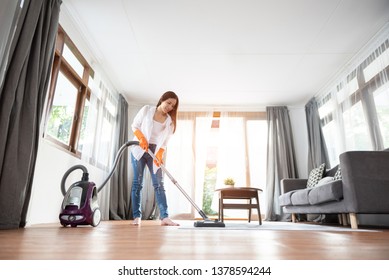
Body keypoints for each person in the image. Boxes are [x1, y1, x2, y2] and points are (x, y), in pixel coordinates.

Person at [130, 91, 180, 226]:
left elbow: (164, 142)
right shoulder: (146, 110)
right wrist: (141, 138)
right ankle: (137, 216)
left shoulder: (170, 122)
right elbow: (135, 125)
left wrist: (159, 153)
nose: (170, 107)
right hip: (139, 148)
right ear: (162, 100)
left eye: (173, 106)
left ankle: (165, 217)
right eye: (168, 103)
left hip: (155, 151)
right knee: (137, 183)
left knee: (159, 184)